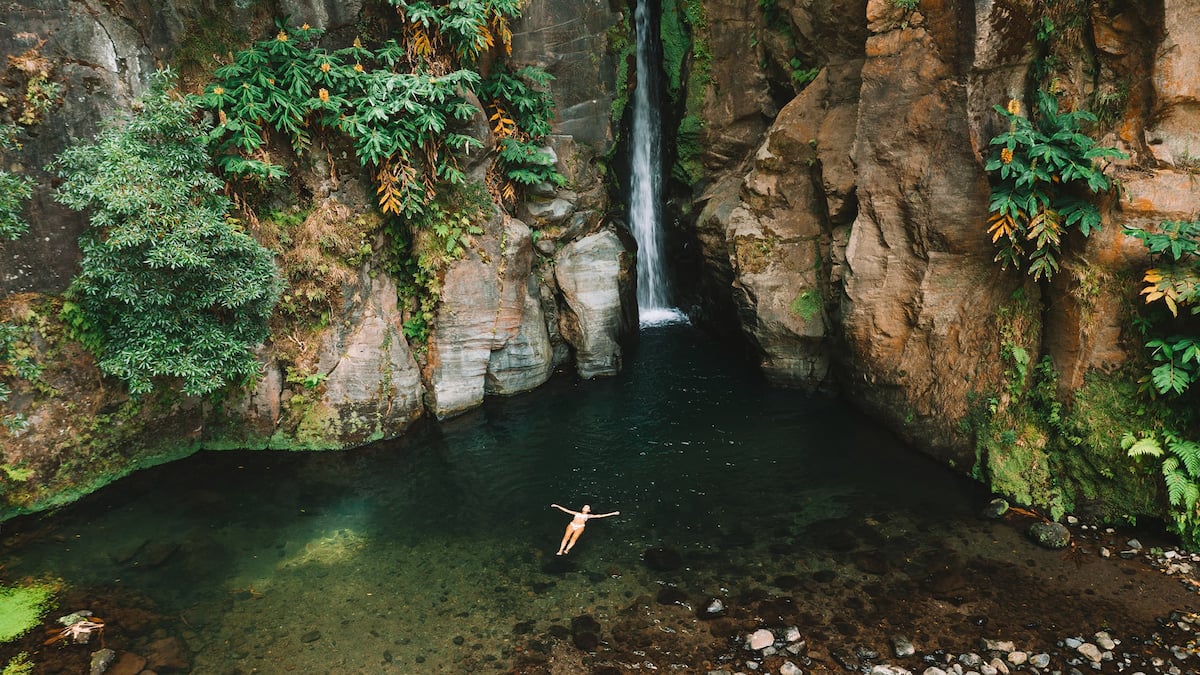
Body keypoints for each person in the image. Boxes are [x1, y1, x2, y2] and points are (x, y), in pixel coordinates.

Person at [550, 503, 619, 555]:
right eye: (584, 507)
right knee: (566, 537)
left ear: (589, 510)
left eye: (587, 507)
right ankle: (560, 550)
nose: (585, 507)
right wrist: (557, 506)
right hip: (572, 524)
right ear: (582, 509)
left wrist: (613, 513)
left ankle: (567, 549)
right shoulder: (576, 513)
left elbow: (600, 516)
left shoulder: (588, 516)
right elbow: (566, 510)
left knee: (573, 539)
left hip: (580, 526)